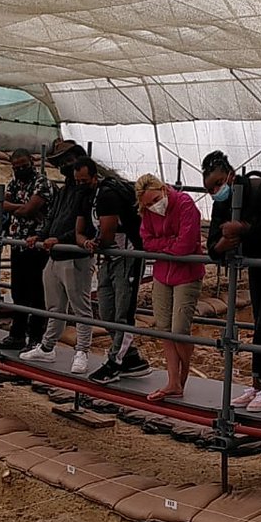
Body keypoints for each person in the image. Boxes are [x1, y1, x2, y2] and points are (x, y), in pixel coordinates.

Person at [202, 150, 261, 413]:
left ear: (231, 174)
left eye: (218, 183)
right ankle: (256, 384)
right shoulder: (221, 204)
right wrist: (222, 244)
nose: (216, 191)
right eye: (210, 188)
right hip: (254, 266)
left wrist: (244, 229)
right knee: (258, 323)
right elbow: (212, 246)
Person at [74, 156, 150, 383]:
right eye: (77, 180)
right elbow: (78, 230)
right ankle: (132, 358)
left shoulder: (107, 194)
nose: (80, 184)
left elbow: (107, 232)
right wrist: (85, 241)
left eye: (84, 180)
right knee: (106, 311)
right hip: (107, 257)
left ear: (94, 177)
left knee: (123, 311)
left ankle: (114, 362)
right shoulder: (85, 196)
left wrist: (91, 242)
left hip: (126, 257)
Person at [21, 150, 94, 374]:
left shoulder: (88, 193)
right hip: (55, 255)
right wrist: (41, 236)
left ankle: (82, 351)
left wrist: (60, 239)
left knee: (80, 308)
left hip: (75, 256)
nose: (63, 166)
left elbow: (85, 227)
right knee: (55, 306)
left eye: (67, 161)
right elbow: (53, 217)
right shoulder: (65, 190)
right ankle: (47, 346)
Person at [136, 174, 204, 401]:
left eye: (155, 199)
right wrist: (171, 243)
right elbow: (146, 241)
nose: (153, 206)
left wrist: (164, 245)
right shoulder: (148, 213)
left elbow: (186, 245)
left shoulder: (185, 204)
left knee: (179, 330)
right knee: (164, 329)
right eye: (147, 204)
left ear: (164, 190)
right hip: (162, 274)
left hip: (187, 274)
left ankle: (181, 377)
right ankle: (173, 381)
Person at [0, 149, 49, 351]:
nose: (20, 170)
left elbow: (28, 209)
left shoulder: (42, 182)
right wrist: (21, 207)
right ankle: (17, 334)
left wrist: (16, 207)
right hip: (17, 243)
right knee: (18, 290)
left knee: (37, 292)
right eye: (16, 167)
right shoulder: (13, 183)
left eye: (24, 166)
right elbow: (3, 205)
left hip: (37, 245)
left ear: (33, 162)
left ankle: (36, 337)